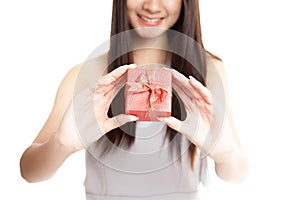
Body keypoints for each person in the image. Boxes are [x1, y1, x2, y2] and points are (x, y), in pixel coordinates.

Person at [20, 0, 249, 199]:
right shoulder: (86, 74)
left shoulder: (208, 71)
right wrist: (61, 144)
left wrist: (225, 153)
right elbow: (29, 171)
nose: (152, 5)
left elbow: (236, 174)